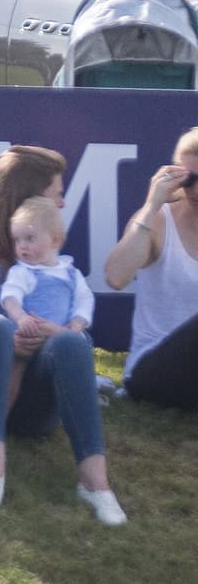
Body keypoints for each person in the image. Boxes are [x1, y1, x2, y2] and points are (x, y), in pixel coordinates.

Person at [0, 145, 126, 524]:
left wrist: (49, 336)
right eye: (55, 192)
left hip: (35, 406)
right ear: (25, 197)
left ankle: (95, 481)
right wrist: (8, 340)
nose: (62, 200)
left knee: (73, 341)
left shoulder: (47, 254)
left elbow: (76, 327)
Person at [104, 127, 198, 409]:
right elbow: (116, 277)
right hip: (153, 369)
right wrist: (152, 203)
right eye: (189, 179)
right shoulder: (158, 220)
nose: (194, 190)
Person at [1, 196, 95, 405]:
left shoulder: (71, 273)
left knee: (76, 349)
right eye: (17, 240)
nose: (22, 246)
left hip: (57, 336)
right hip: (26, 336)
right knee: (14, 367)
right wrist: (21, 318)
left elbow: (84, 299)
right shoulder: (22, 271)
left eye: (30, 238)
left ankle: (80, 399)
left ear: (55, 240)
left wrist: (78, 322)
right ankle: (2, 417)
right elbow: (10, 297)